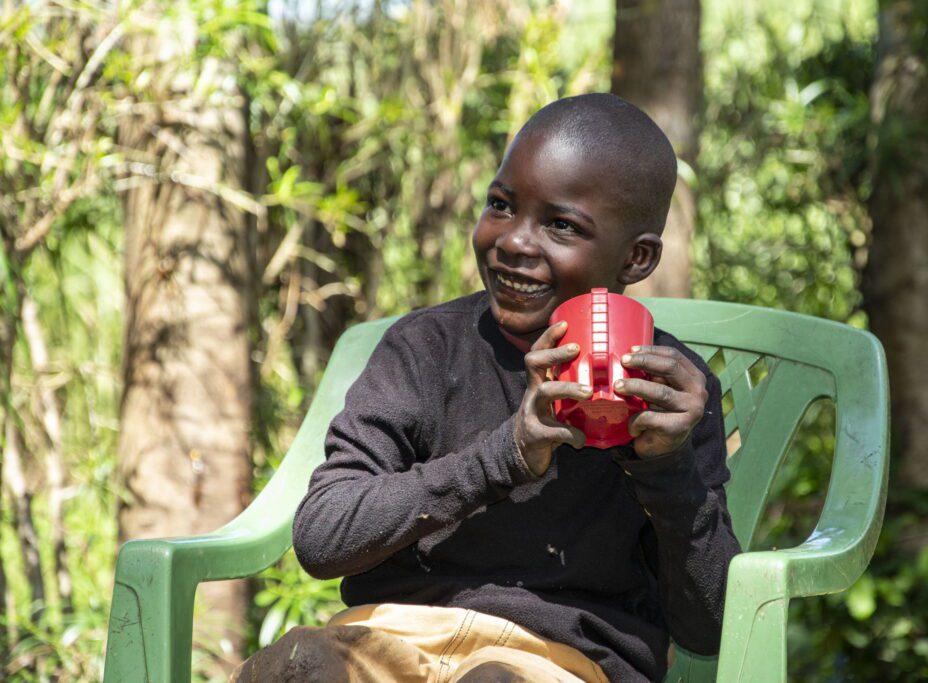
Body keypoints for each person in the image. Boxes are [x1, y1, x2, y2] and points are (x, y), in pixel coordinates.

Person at [231, 93, 741, 683]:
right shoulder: (426, 349)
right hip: (391, 637)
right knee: (297, 667)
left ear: (637, 257)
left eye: (561, 225)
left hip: (562, 660)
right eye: (501, 205)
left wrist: (667, 469)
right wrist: (506, 456)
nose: (514, 241)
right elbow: (323, 538)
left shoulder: (671, 395)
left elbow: (708, 628)